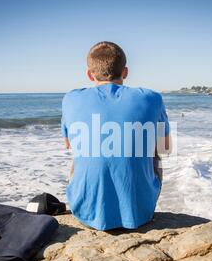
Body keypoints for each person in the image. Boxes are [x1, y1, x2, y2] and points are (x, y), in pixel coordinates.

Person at [61, 41, 171, 230]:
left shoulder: (70, 98)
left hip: (83, 213)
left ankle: (89, 200)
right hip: (140, 214)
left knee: (83, 149)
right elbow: (166, 147)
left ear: (89, 74)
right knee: (155, 153)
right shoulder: (152, 98)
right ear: (125, 72)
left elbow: (69, 144)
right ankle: (134, 201)